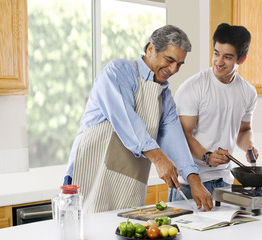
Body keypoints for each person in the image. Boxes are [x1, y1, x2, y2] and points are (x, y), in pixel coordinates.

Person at [63, 25, 213, 213]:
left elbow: (175, 140)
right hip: (91, 172)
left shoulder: (165, 97)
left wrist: (194, 180)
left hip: (129, 179)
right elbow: (126, 120)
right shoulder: (117, 73)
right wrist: (159, 159)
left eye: (179, 64)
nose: (174, 69)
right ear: (151, 49)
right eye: (169, 60)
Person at [168, 23, 259, 202]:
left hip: (224, 183)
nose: (218, 61)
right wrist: (207, 156)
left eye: (227, 57)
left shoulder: (248, 92)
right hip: (190, 183)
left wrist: (249, 146)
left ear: (241, 59)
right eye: (216, 53)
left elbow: (244, 130)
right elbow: (181, 135)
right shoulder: (193, 88)